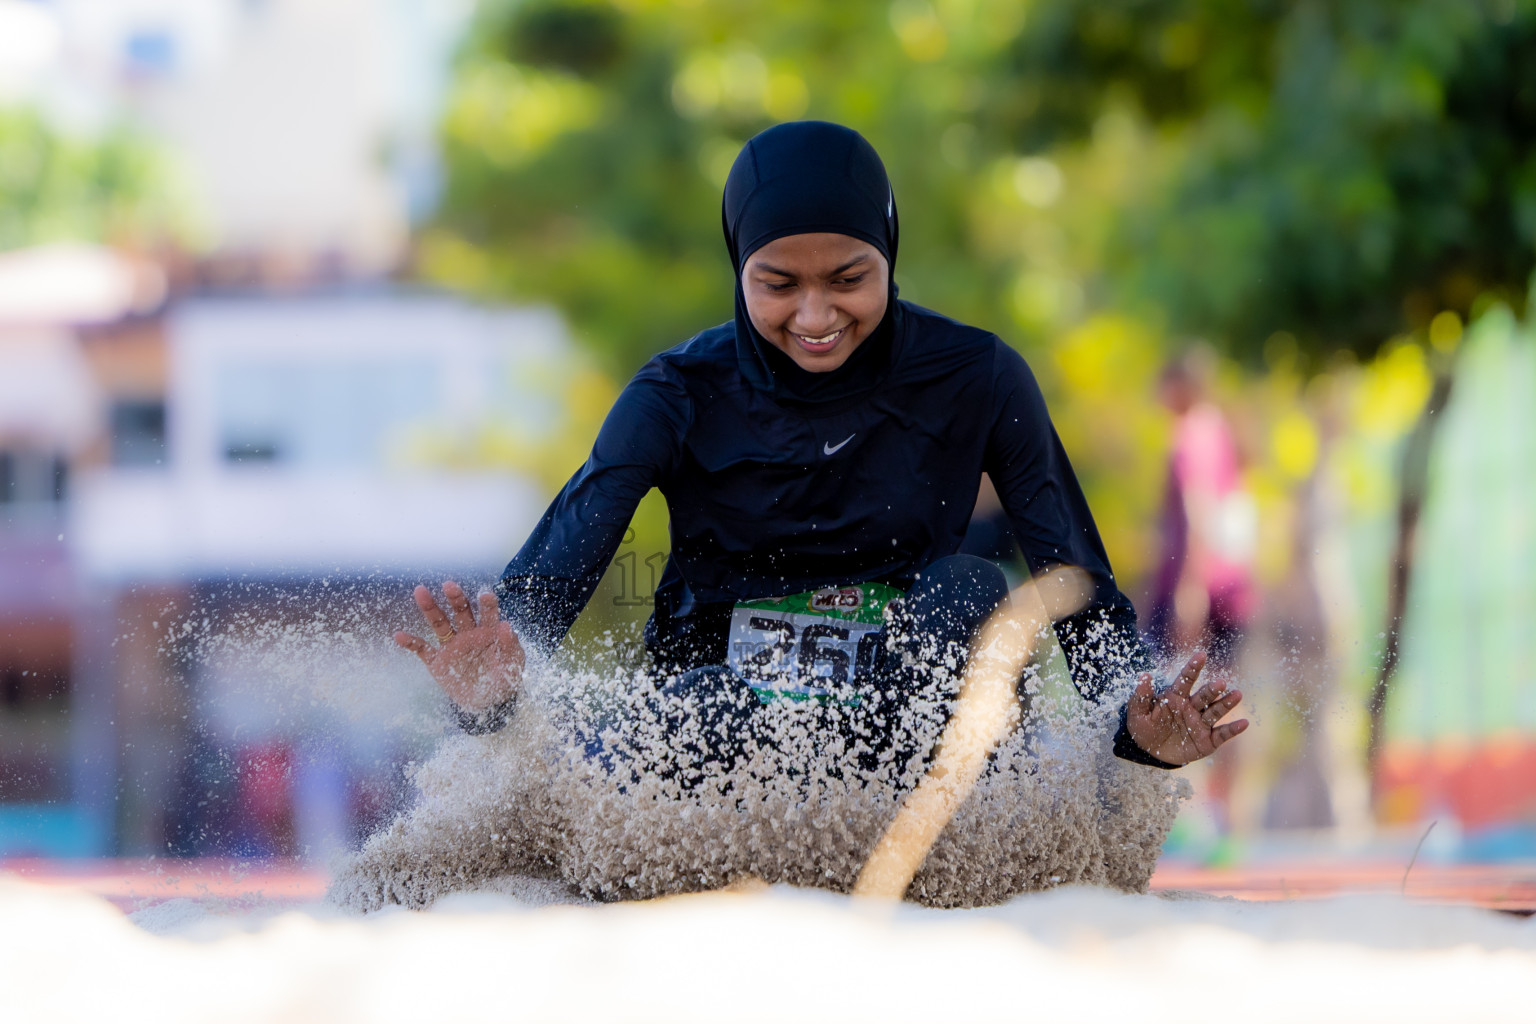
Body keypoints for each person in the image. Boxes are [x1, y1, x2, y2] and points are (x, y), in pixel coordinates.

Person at [394, 121, 1247, 778]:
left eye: (847, 280)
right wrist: (491, 696)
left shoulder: (980, 377)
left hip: (910, 717)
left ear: (889, 254)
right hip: (723, 716)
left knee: (972, 589)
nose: (815, 317)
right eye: (778, 285)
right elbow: (552, 580)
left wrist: (1132, 725)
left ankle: (934, 832)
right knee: (685, 711)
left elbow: (1076, 581)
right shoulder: (673, 394)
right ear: (738, 266)